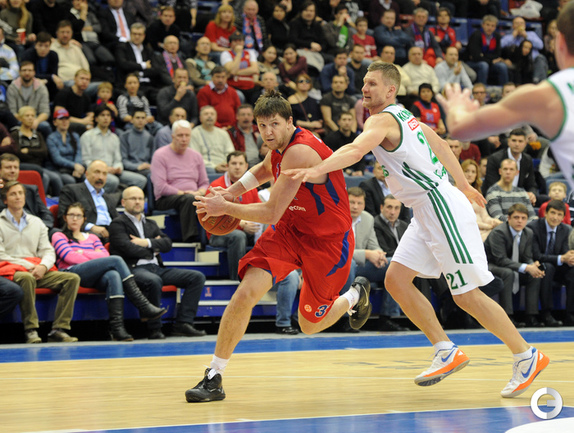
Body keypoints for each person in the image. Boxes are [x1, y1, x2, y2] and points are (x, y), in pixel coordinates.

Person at [284, 61, 549, 398]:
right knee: (396, 279)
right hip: (426, 210)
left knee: (466, 294)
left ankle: (526, 355)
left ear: (390, 89)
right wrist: (463, 184)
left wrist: (317, 169)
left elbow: (355, 149)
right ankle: (445, 350)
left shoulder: (381, 120)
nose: (364, 88)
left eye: (372, 83)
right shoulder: (405, 116)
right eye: (363, 82)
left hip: (439, 206)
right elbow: (440, 144)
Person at [185, 90, 368, 402]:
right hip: (290, 231)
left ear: (289, 122)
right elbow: (263, 169)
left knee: (309, 324)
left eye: (274, 124)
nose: (268, 132)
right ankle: (214, 376)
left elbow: (270, 213)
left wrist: (225, 207)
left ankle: (354, 296)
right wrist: (230, 192)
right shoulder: (279, 147)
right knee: (245, 293)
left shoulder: (300, 151)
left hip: (327, 242)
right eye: (262, 125)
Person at [52, 201, 166, 341]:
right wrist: (94, 256)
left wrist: (82, 253)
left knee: (113, 275)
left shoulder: (93, 237)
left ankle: (117, 329)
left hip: (92, 275)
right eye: (71, 215)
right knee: (116, 260)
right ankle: (143, 305)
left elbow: (104, 256)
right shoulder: (58, 235)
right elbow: (70, 257)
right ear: (65, 218)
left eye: (78, 216)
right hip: (71, 273)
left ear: (84, 219)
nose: (74, 219)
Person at [109, 186, 206, 339]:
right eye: (133, 198)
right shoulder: (117, 224)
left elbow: (167, 244)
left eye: (140, 198)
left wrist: (146, 242)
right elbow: (126, 248)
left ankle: (183, 323)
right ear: (123, 202)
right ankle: (154, 328)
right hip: (133, 269)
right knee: (154, 281)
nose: (137, 202)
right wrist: (153, 249)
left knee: (196, 277)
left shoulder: (151, 223)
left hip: (156, 267)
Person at [0, 181, 80, 344]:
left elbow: (48, 250)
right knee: (26, 278)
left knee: (72, 279)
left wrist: (43, 266)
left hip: (36, 268)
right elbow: (1, 255)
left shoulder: (36, 222)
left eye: (20, 193)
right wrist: (28, 266)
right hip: (11, 270)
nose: (18, 197)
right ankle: (31, 329)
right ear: (5, 200)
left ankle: (59, 329)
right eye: (13, 194)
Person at [484, 203, 544, 327]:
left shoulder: (528, 233)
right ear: (509, 218)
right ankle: (507, 317)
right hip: (490, 265)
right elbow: (500, 260)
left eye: (523, 218)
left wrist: (532, 265)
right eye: (516, 217)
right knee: (508, 273)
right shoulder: (499, 232)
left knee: (535, 275)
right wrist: (527, 267)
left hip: (512, 265)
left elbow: (526, 257)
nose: (520, 221)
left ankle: (531, 316)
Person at [150, 119, 209, 243]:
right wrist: (184, 193)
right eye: (180, 135)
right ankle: (191, 239)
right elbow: (160, 186)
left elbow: (204, 183)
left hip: (193, 196)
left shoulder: (196, 156)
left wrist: (200, 192)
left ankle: (213, 237)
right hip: (166, 199)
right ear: (172, 137)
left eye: (187, 135)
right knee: (188, 199)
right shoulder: (160, 155)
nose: (184, 139)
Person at [207, 151, 262, 280]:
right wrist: (240, 223)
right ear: (227, 166)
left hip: (247, 229)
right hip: (218, 232)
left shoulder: (251, 187)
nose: (237, 167)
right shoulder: (216, 186)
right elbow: (210, 216)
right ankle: (237, 279)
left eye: (241, 164)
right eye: (234, 163)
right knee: (238, 236)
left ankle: (267, 276)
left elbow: (258, 209)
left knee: (269, 230)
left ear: (246, 166)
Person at [528, 199, 574, 327]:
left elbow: (565, 252)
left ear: (563, 217)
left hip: (558, 266)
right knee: (548, 268)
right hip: (539, 265)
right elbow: (536, 255)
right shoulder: (533, 227)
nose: (555, 217)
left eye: (559, 215)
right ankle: (546, 313)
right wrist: (562, 258)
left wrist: (570, 258)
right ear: (545, 213)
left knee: (572, 272)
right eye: (553, 213)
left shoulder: (566, 229)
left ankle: (570, 314)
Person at [80, 105, 147, 193]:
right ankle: (99, 199)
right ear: (96, 119)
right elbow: (86, 160)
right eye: (102, 115)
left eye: (108, 115)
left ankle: (123, 198)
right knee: (113, 181)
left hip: (113, 171)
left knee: (140, 180)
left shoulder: (114, 137)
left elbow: (118, 159)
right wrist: (104, 169)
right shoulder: (87, 136)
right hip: (96, 172)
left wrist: (117, 168)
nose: (106, 118)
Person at [58, 160, 119, 242]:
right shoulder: (71, 190)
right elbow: (63, 218)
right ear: (87, 174)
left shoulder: (107, 197)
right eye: (97, 172)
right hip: (90, 234)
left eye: (104, 174)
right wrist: (91, 227)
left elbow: (117, 218)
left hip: (111, 233)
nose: (101, 177)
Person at [114, 22, 171, 104]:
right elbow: (124, 64)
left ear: (144, 36)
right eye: (134, 34)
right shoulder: (122, 47)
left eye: (139, 34)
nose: (137, 36)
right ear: (130, 34)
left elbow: (155, 69)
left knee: (165, 96)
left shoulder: (148, 50)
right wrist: (143, 65)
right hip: (129, 86)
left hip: (148, 85)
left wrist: (140, 73)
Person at [481, 129, 539, 203]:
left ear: (525, 143)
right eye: (514, 140)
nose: (517, 144)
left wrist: (532, 194)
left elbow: (532, 184)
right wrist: (517, 196)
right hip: (496, 199)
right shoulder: (494, 159)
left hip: (519, 201)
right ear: (508, 141)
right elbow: (492, 185)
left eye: (520, 141)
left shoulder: (527, 159)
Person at [0, 153, 53, 230]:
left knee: (56, 232)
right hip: (9, 230)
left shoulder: (31, 189)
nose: (13, 171)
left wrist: (41, 227)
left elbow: (46, 213)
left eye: (16, 167)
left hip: (38, 228)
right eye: (8, 167)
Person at [7, 62, 52, 140]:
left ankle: (44, 147)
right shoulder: (12, 88)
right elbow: (12, 111)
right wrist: (25, 121)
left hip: (36, 119)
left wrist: (36, 121)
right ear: (19, 72)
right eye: (24, 70)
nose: (27, 73)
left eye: (30, 70)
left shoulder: (41, 88)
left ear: (34, 72)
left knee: (45, 126)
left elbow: (45, 112)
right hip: (19, 120)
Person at [462, 159, 501, 241]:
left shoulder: (477, 193)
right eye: (466, 171)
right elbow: (463, 220)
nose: (470, 174)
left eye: (473, 172)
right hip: (467, 230)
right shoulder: (455, 193)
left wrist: (493, 221)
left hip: (483, 228)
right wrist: (487, 226)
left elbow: (485, 216)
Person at [465, 15, 509, 86]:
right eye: (488, 25)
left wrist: (483, 56)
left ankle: (505, 88)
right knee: (483, 65)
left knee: (502, 66)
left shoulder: (497, 36)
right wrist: (491, 60)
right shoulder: (476, 35)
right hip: (473, 62)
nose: (490, 28)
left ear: (495, 27)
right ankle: (482, 88)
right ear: (483, 25)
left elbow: (497, 54)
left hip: (489, 62)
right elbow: (476, 56)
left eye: (492, 26)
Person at [46, 108, 85, 186]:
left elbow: (78, 154)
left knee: (86, 178)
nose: (64, 121)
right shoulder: (51, 138)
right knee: (70, 180)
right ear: (54, 122)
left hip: (74, 168)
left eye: (66, 119)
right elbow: (57, 159)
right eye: (61, 119)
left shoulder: (75, 136)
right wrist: (74, 165)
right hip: (58, 169)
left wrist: (78, 167)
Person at [190, 106, 235, 174]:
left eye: (212, 114)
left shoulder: (223, 133)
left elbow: (231, 153)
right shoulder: (194, 133)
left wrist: (226, 164)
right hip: (206, 169)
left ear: (216, 117)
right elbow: (195, 158)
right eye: (206, 114)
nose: (209, 116)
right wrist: (215, 167)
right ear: (200, 118)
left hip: (225, 167)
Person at [221, 32, 259, 106]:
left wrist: (236, 72)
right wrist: (238, 53)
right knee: (238, 96)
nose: (238, 43)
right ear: (230, 43)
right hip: (235, 86)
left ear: (244, 42)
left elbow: (255, 69)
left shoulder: (250, 53)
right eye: (235, 41)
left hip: (250, 86)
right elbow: (232, 70)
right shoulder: (226, 54)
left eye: (240, 41)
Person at [20, 31, 63, 99]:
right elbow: (27, 74)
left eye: (46, 46)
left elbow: (54, 74)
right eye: (40, 45)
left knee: (59, 84)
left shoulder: (53, 55)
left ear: (50, 46)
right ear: (35, 45)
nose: (43, 49)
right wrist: (50, 77)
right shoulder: (27, 55)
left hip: (48, 83)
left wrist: (48, 79)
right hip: (30, 83)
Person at [53, 68, 94, 135]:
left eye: (87, 79)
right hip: (63, 123)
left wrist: (88, 121)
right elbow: (59, 115)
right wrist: (82, 121)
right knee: (81, 127)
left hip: (79, 124)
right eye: (82, 78)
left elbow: (91, 114)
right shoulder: (64, 93)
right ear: (75, 79)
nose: (84, 81)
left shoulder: (86, 97)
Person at [119, 109, 153, 179]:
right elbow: (124, 160)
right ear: (132, 120)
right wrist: (137, 167)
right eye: (137, 118)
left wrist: (149, 165)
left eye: (143, 118)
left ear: (146, 121)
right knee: (151, 175)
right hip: (131, 169)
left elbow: (152, 159)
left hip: (146, 168)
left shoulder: (150, 137)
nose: (140, 120)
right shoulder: (125, 136)